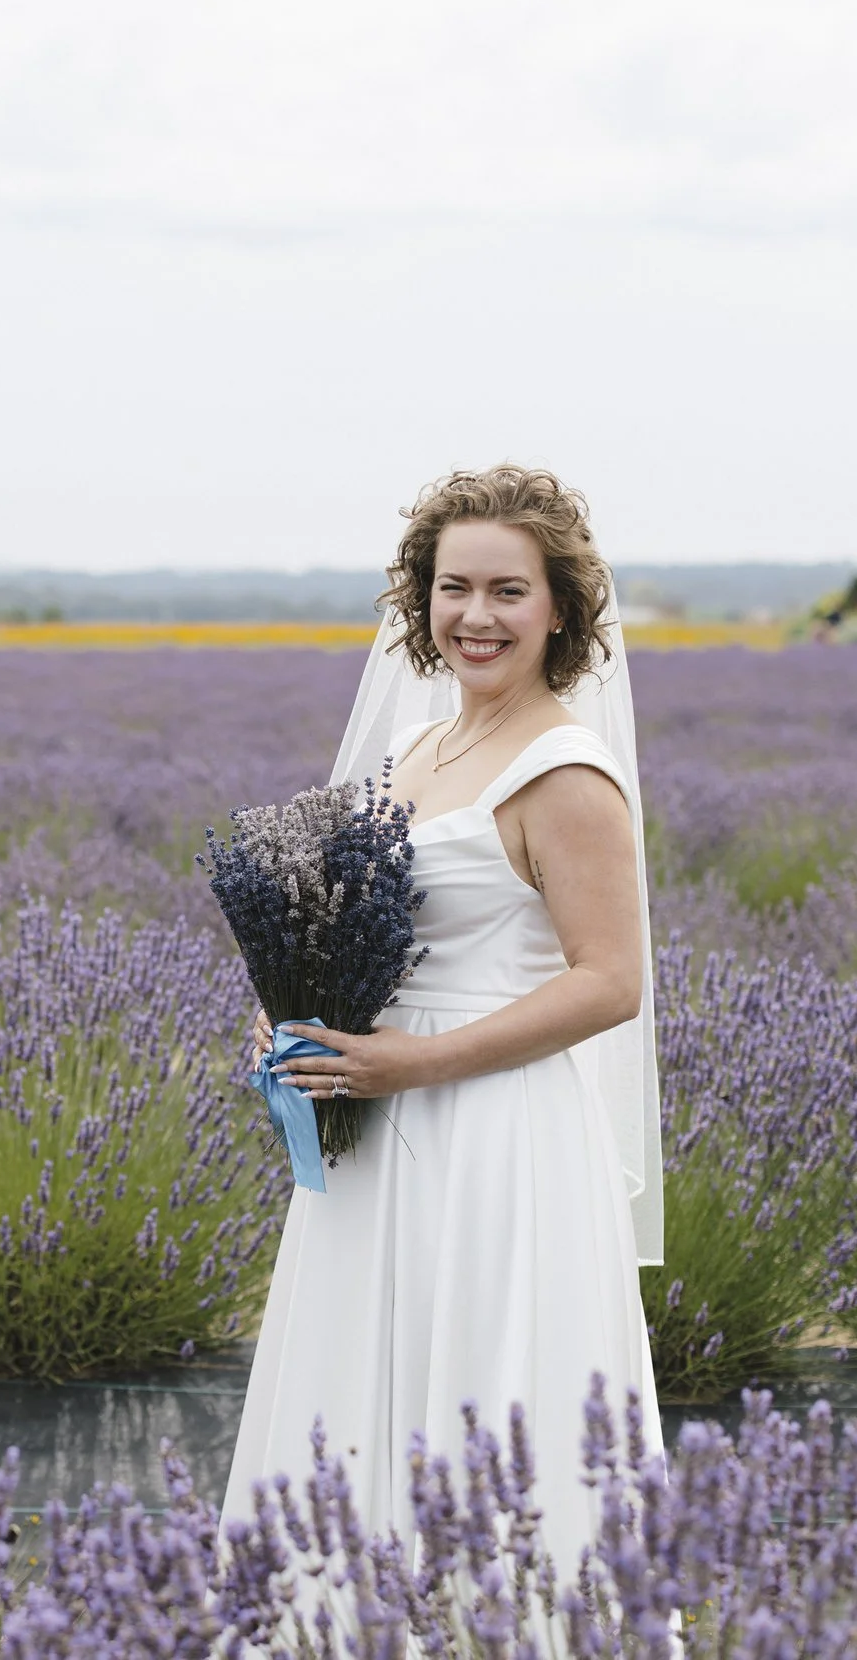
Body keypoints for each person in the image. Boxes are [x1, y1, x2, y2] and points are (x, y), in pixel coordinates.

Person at [221, 464, 663, 1578]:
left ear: (560, 607)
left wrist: (412, 1063)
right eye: (452, 586)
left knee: (483, 1391)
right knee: (363, 1385)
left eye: (508, 591)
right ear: (419, 600)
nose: (475, 616)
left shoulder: (565, 769)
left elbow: (610, 980)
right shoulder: (419, 752)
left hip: (493, 1137)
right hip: (379, 1128)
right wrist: (297, 1026)